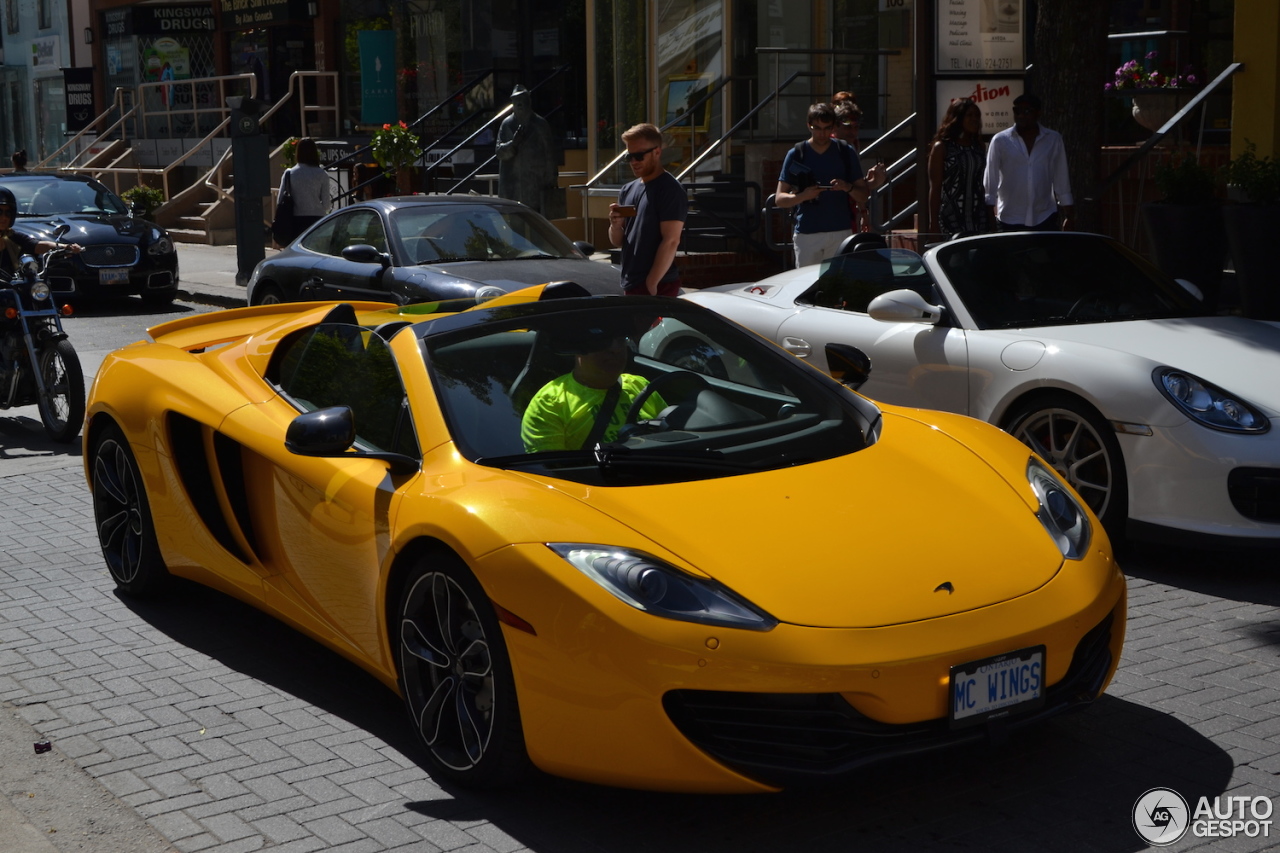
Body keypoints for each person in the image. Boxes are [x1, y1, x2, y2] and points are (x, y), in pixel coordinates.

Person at [520, 325, 667, 452]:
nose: (616, 349)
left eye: (621, 340)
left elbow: (672, 433)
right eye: (603, 342)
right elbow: (552, 474)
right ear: (578, 349)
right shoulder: (549, 404)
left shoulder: (641, 385)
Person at [774, 103, 877, 268]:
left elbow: (863, 194)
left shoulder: (845, 151)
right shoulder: (797, 153)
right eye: (817, 128)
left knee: (836, 285)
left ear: (834, 127)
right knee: (806, 286)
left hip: (840, 231)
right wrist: (803, 196)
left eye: (826, 128)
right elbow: (779, 199)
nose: (822, 133)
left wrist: (847, 187)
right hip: (807, 233)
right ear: (809, 125)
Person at [609, 123, 688, 296]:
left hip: (659, 286)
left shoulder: (669, 189)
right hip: (632, 282)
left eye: (639, 156)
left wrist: (652, 282)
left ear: (657, 152)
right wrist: (615, 225)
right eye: (629, 157)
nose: (634, 162)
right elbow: (618, 241)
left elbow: (671, 240)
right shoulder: (627, 189)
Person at [983, 93, 1073, 232]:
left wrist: (1069, 214)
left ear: (1038, 113)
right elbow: (990, 181)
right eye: (1017, 111)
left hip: (1044, 216)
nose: (1021, 116)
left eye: (1027, 111)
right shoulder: (1000, 141)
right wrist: (990, 219)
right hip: (1009, 218)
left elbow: (1061, 178)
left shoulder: (1053, 139)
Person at [928, 98, 990, 236]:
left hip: (978, 218)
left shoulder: (978, 147)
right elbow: (935, 187)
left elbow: (983, 184)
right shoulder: (942, 148)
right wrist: (933, 225)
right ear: (958, 118)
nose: (974, 119)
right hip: (951, 219)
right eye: (969, 115)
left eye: (977, 115)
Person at [494, 84, 559, 215]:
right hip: (513, 188)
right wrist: (513, 144)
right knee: (515, 227)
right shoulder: (507, 124)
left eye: (522, 99)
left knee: (538, 226)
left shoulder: (540, 124)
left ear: (528, 101)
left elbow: (549, 154)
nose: (519, 104)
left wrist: (552, 179)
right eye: (515, 100)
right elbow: (499, 152)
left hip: (536, 186)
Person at [0, 188, 82, 277]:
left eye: (8, 213)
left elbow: (37, 245)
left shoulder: (11, 237)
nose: (4, 217)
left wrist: (66, 247)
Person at [276, 138, 331, 244]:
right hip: (316, 220)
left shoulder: (289, 173)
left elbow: (280, 200)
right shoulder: (322, 174)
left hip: (295, 221)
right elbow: (326, 205)